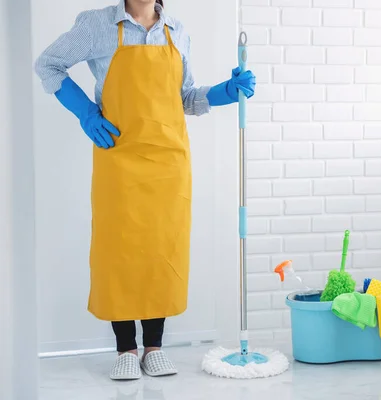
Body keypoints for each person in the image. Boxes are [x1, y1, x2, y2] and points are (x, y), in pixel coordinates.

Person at [34, 0, 256, 380]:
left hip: (168, 162)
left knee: (161, 249)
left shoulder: (177, 31)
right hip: (118, 157)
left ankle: (153, 346)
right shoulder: (96, 25)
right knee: (118, 250)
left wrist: (225, 90)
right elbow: (47, 64)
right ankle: (125, 348)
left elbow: (184, 98)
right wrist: (86, 112)